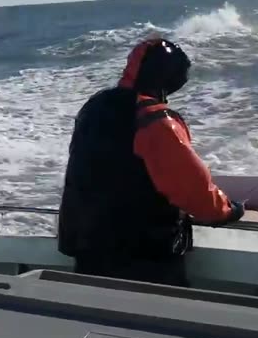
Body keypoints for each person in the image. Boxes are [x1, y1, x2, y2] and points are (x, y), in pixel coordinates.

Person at [57, 37, 244, 287]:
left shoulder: (94, 108)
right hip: (144, 259)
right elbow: (193, 190)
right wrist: (230, 210)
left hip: (89, 250)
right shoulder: (155, 121)